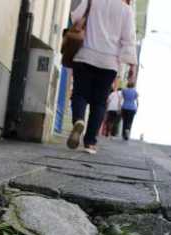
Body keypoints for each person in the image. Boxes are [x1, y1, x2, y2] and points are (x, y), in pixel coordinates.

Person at [67, 0, 138, 154]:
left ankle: (78, 120)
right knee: (99, 103)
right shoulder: (126, 10)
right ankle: (90, 142)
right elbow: (129, 40)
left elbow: (75, 18)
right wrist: (132, 66)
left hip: (85, 55)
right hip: (109, 62)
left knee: (79, 94)